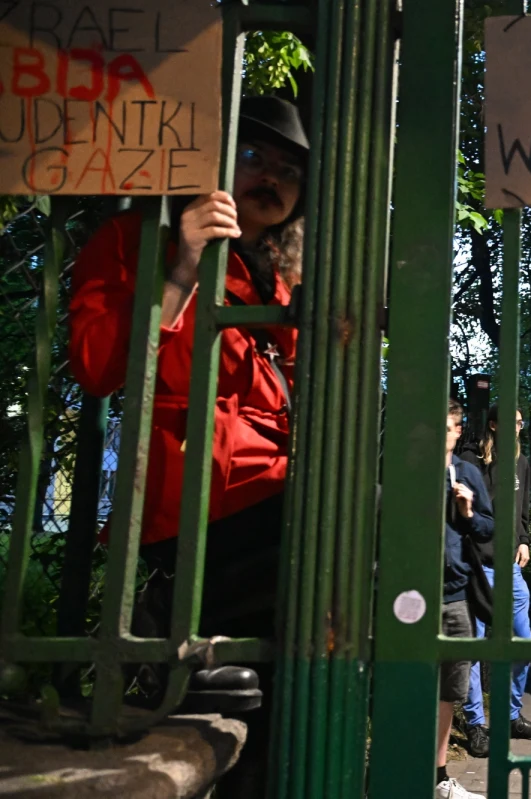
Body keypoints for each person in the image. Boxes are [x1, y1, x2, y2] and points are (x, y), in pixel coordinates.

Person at [69, 95, 308, 797]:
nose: (272, 178)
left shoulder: (278, 278)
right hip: (185, 515)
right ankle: (174, 647)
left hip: (272, 511)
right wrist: (182, 265)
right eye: (255, 155)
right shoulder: (131, 240)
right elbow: (96, 366)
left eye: (289, 169)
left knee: (262, 713)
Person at [459, 405, 531, 756]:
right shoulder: (471, 459)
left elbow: (522, 505)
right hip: (478, 565)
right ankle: (475, 723)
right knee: (476, 646)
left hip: (509, 564)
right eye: (511, 422)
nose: (519, 426)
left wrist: (524, 539)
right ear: (493, 424)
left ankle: (510, 716)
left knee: (523, 641)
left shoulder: (522, 461)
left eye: (521, 421)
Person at [436, 400, 494, 799]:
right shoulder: (408, 468)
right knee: (408, 678)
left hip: (455, 594)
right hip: (411, 596)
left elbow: (488, 529)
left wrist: (469, 512)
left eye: (449, 427)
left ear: (458, 432)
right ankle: (402, 767)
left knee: (448, 690)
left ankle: (438, 776)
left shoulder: (468, 473)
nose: (444, 434)